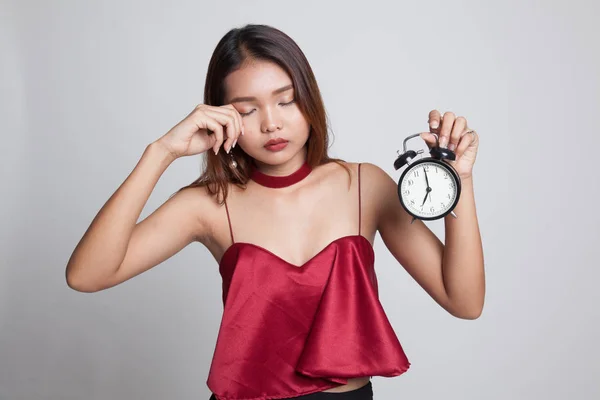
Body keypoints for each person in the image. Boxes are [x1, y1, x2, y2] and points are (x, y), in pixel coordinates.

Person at [65, 24, 485, 400]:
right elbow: (86, 275)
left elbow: (464, 301)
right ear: (221, 115)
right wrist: (160, 153)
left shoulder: (364, 185)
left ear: (309, 99)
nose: (271, 124)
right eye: (247, 110)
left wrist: (460, 181)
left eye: (286, 101)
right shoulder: (208, 205)